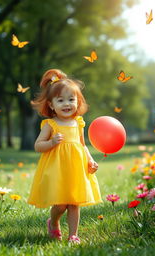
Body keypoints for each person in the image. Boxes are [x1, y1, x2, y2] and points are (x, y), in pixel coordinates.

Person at [27, 69, 102, 244]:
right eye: (60, 100)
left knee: (74, 202)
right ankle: (53, 222)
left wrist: (90, 160)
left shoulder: (78, 123)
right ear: (52, 105)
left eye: (71, 99)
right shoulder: (50, 125)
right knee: (60, 204)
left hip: (76, 168)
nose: (66, 104)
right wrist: (52, 142)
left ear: (78, 101)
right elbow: (38, 146)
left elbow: (82, 145)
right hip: (58, 169)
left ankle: (73, 235)